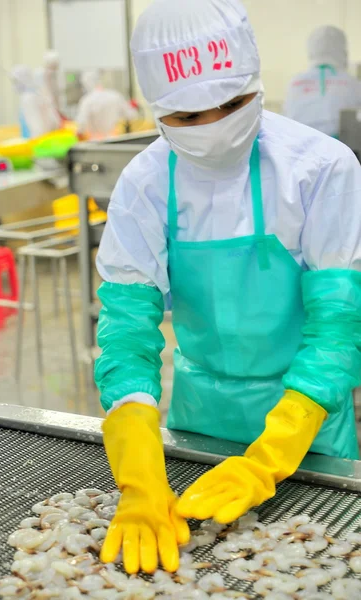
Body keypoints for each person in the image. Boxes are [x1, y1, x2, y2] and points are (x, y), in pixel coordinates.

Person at [95, 0, 361, 576]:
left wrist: (269, 457)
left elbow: (336, 328)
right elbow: (126, 336)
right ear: (157, 109)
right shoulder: (143, 184)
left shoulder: (320, 169)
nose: (213, 129)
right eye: (188, 118)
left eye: (234, 105)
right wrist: (139, 474)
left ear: (257, 84)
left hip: (307, 427)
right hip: (200, 423)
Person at [284, 26, 361, 137]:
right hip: (339, 148)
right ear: (342, 50)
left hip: (299, 146)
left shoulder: (296, 82)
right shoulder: (352, 83)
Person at [76, 70, 137, 139]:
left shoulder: (87, 100)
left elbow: (81, 126)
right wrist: (133, 106)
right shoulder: (115, 96)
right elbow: (131, 115)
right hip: (115, 140)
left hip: (95, 143)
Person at [11, 65, 60, 138]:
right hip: (47, 140)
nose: (14, 85)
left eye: (15, 81)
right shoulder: (39, 94)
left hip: (35, 144)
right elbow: (55, 122)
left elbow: (37, 129)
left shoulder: (27, 98)